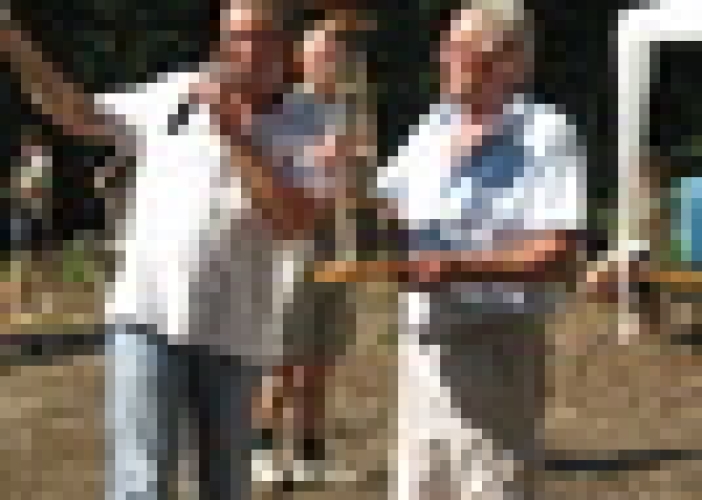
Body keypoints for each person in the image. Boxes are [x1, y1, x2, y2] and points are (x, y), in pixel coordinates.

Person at [374, 2, 586, 499]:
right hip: (424, 347)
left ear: (508, 61)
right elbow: (382, 211)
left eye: (460, 48)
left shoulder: (545, 133)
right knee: (419, 490)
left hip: (497, 346)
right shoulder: (432, 128)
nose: (443, 58)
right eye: (446, 47)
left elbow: (559, 254)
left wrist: (458, 267)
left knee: (490, 490)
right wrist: (345, 175)